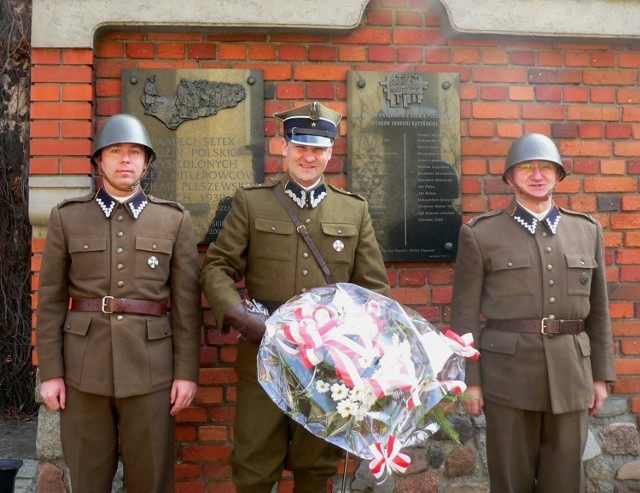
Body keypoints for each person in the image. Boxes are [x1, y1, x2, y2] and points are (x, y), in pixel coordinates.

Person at [200, 101, 391, 493]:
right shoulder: (253, 203)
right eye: (300, 146)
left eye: (318, 148)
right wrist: (241, 318)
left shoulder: (353, 210)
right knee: (254, 464)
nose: (309, 156)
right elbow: (217, 266)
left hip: (326, 365)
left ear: (330, 152)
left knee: (316, 464)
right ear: (283, 147)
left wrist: (357, 345)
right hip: (263, 353)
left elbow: (374, 288)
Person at [36, 114, 202, 493]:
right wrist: (52, 372)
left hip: (152, 370)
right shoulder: (68, 217)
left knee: (153, 480)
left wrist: (185, 372)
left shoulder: (173, 220)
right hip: (83, 370)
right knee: (89, 480)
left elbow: (188, 307)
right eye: (115, 152)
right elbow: (50, 301)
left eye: (134, 153)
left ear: (147, 163)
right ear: (99, 161)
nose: (125, 160)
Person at [450, 133, 616, 493]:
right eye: (526, 168)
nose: (537, 175)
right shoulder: (481, 234)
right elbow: (464, 315)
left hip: (572, 374)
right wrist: (472, 382)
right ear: (510, 178)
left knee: (566, 481)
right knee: (510, 480)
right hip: (507, 376)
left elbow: (599, 313)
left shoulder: (586, 231)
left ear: (558, 176)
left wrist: (601, 375)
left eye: (546, 168)